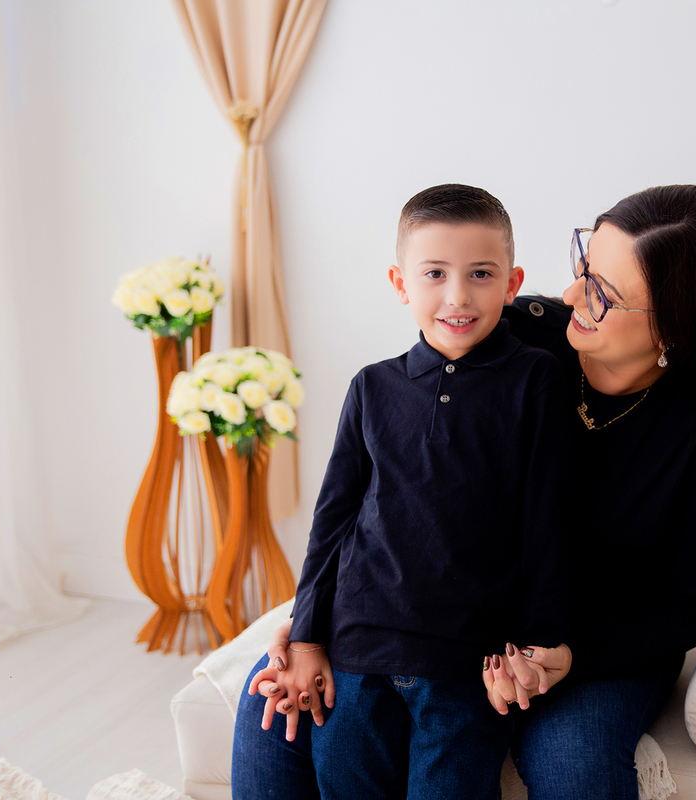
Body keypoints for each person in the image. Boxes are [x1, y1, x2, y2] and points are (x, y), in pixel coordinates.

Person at [241, 184, 696, 800]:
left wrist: (566, 653)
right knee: (276, 706)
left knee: (574, 763)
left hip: (591, 639)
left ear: (676, 331)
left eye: (603, 294)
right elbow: (388, 485)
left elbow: (685, 608)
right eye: (584, 268)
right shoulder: (503, 332)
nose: (573, 295)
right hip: (459, 617)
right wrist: (312, 621)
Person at [231, 184, 572, 800]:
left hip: (465, 668)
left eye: (481, 274)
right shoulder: (372, 387)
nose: (458, 296)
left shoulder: (535, 380)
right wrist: (307, 638)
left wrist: (531, 647)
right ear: (400, 282)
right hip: (357, 654)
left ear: (512, 282)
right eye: (435, 274)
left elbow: (545, 524)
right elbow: (332, 523)